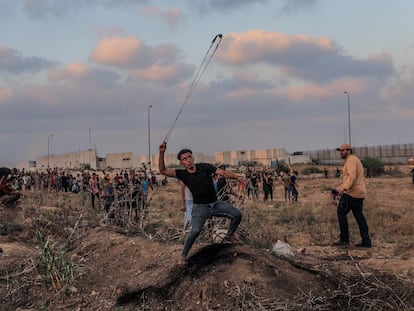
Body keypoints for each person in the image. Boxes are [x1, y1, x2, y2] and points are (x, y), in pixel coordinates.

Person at [158, 142, 243, 265]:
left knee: (237, 214)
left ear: (193, 158)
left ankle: (229, 235)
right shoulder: (182, 174)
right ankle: (183, 255)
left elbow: (223, 173)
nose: (188, 160)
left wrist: (238, 178)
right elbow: (163, 170)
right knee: (195, 230)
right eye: (185, 159)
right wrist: (161, 152)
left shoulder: (204, 167)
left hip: (215, 204)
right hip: (200, 208)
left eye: (189, 157)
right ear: (182, 162)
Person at [332, 143, 371, 248]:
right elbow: (351, 178)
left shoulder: (351, 160)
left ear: (349, 150)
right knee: (359, 216)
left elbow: (351, 177)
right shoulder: (354, 160)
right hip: (359, 193)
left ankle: (344, 239)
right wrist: (339, 187)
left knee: (341, 212)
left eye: (342, 150)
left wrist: (343, 189)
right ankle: (366, 241)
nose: (341, 152)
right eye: (340, 150)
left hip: (352, 193)